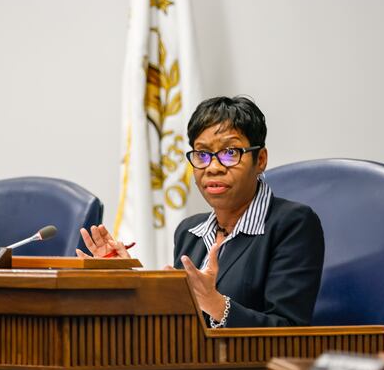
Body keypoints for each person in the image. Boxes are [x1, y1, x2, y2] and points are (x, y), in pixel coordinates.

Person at [77, 96, 324, 328]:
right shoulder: (189, 232)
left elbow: (290, 331)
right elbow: (177, 322)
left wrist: (216, 305)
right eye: (202, 154)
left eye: (230, 153)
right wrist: (129, 281)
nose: (213, 167)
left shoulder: (292, 224)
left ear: (260, 159)